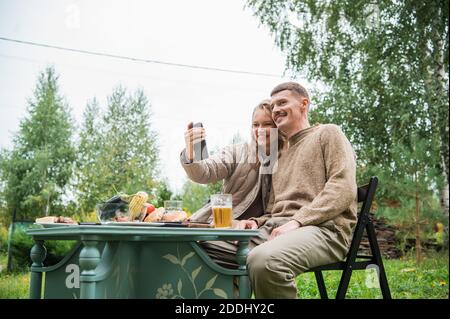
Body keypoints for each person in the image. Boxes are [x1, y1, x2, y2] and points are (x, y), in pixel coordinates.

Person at [233, 82, 358, 298]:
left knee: (264, 261)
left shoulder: (328, 133)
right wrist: (256, 222)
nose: (276, 110)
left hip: (325, 230)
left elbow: (343, 186)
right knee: (213, 249)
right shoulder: (280, 156)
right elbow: (274, 210)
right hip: (278, 229)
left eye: (282, 102)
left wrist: (298, 221)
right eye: (273, 106)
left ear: (303, 104)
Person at [180, 100, 285, 225]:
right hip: (222, 225)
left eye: (267, 124)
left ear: (278, 126)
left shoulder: (288, 156)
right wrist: (191, 154)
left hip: (262, 229)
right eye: (256, 125)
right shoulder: (236, 152)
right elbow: (204, 173)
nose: (260, 130)